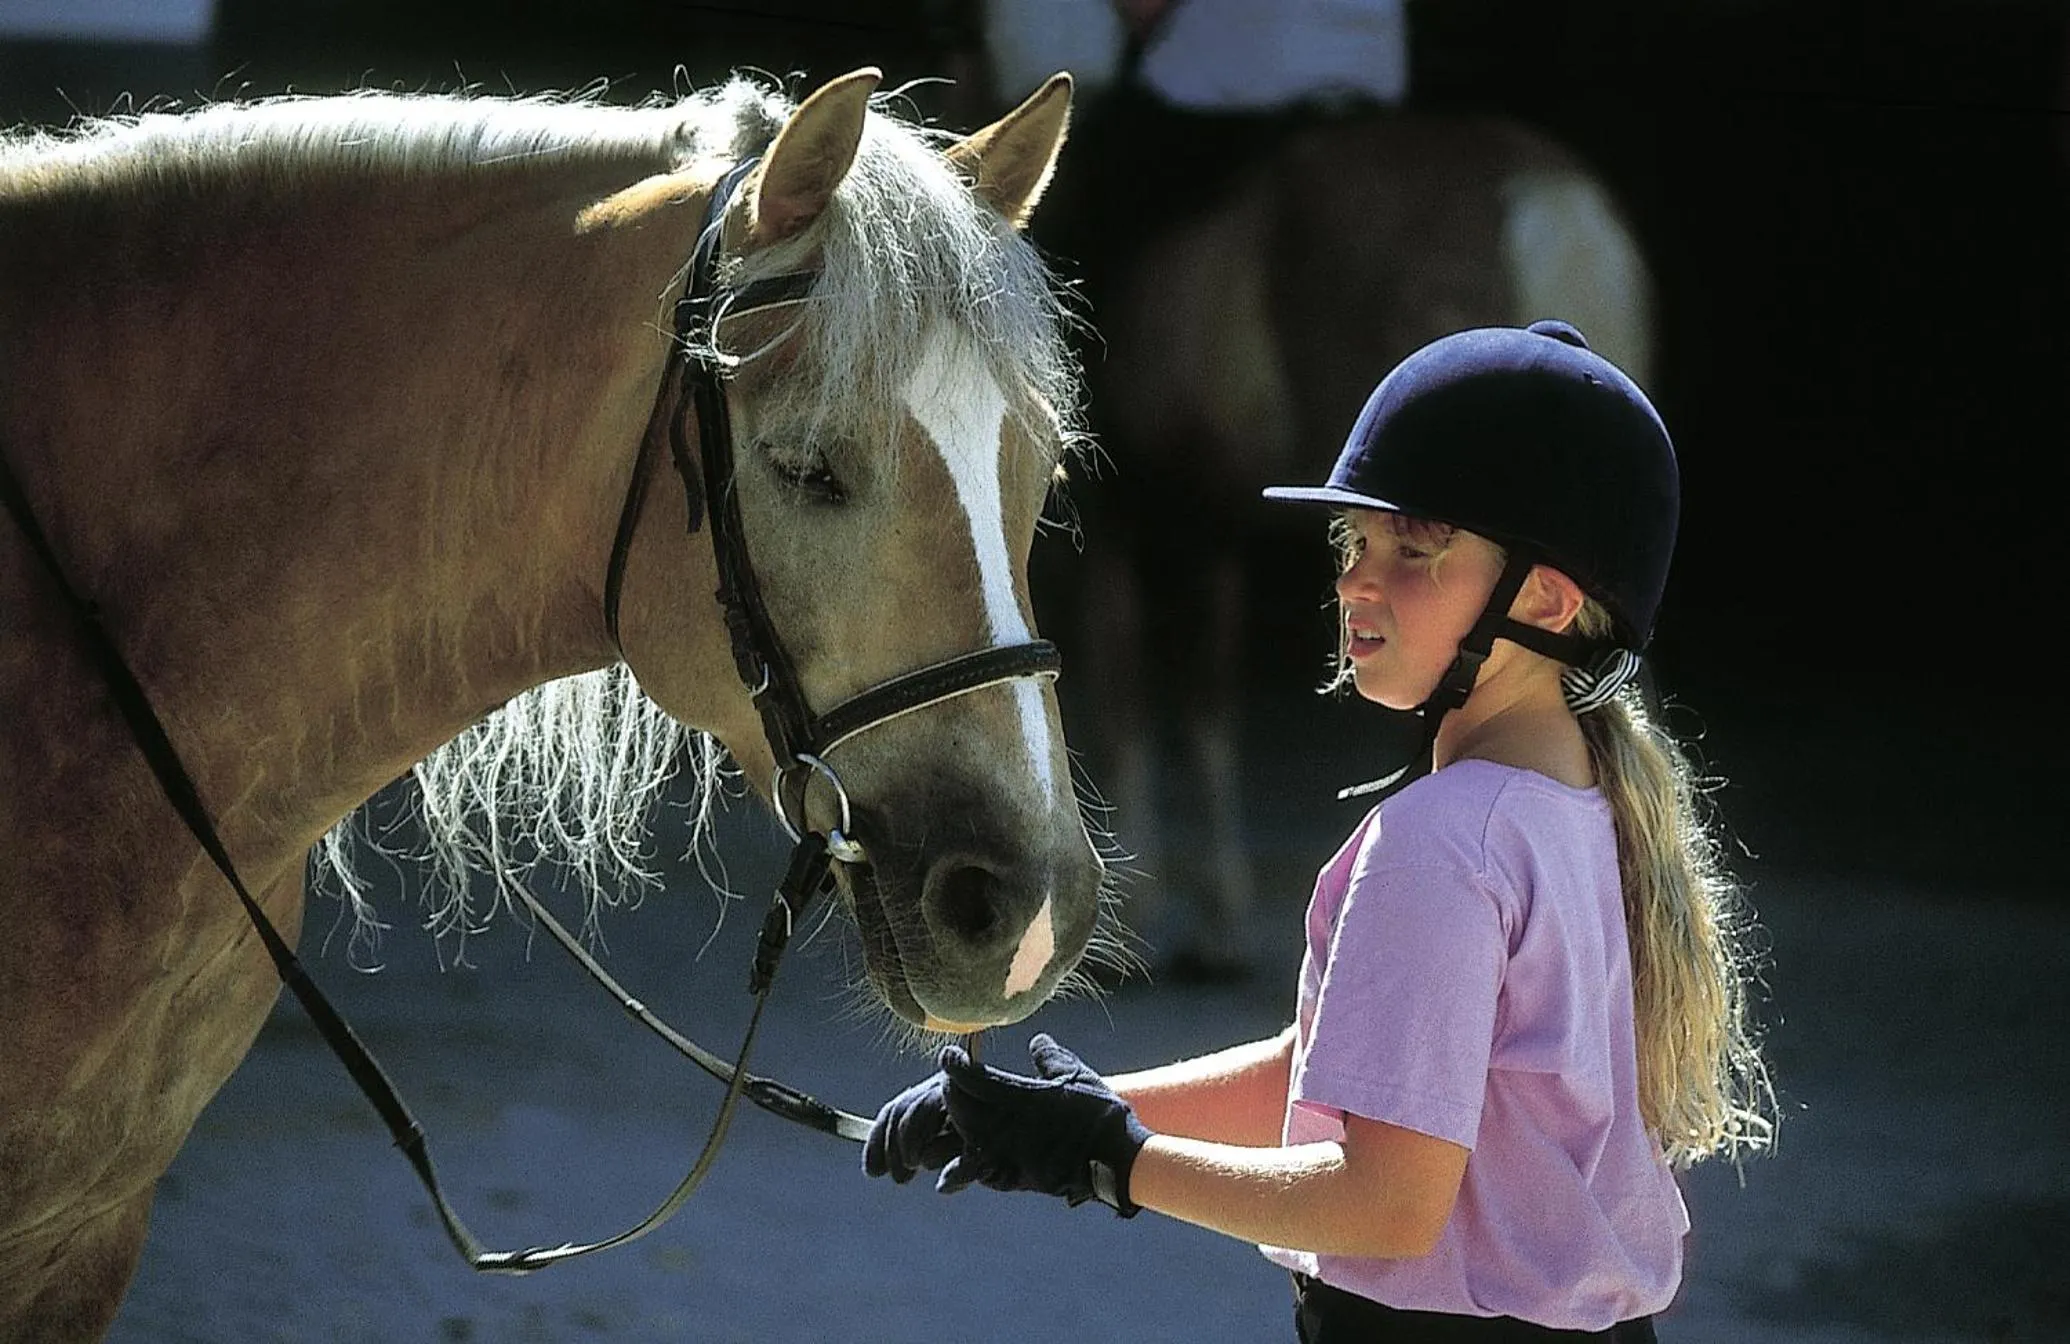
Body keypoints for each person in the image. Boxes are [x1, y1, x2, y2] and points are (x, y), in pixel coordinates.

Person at [863, 320, 1775, 1340]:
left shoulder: (1442, 841)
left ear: (1549, 602)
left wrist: (1108, 1158)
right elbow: (1339, 1071)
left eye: (1415, 551)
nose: (1356, 581)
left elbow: (1386, 1203)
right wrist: (1049, 1113)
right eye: (1357, 542)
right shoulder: (1586, 806)